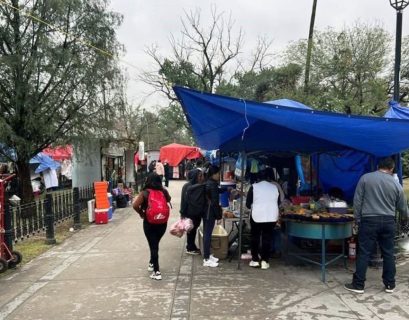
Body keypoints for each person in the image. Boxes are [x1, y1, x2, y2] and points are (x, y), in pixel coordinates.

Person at [344, 157, 408, 294]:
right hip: (389, 222)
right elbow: (402, 207)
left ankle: (359, 285)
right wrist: (406, 217)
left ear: (378, 166)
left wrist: (358, 219)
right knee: (388, 253)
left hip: (369, 221)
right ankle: (390, 284)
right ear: (391, 169)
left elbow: (357, 201)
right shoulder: (396, 184)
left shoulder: (365, 178)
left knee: (364, 253)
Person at [132, 173, 171, 280]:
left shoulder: (145, 193)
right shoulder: (163, 191)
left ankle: (157, 271)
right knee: (155, 244)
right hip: (162, 222)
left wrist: (141, 213)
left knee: (153, 245)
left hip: (149, 222)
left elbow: (135, 205)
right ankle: (151, 262)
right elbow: (168, 199)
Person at [246, 167, 284, 270]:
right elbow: (278, 202)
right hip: (271, 216)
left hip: (257, 216)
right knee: (267, 238)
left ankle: (254, 260)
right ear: (268, 178)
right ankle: (265, 261)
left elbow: (248, 204)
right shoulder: (274, 187)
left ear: (258, 178)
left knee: (255, 237)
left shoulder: (253, 187)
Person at [180, 168, 205, 255]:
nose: (202, 177)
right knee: (191, 230)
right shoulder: (187, 186)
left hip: (197, 213)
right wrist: (182, 213)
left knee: (193, 230)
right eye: (200, 176)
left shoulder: (200, 186)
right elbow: (183, 200)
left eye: (201, 175)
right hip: (190, 213)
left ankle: (192, 246)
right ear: (195, 176)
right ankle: (190, 248)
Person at [202, 164, 223, 267]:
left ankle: (208, 255)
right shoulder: (213, 184)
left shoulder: (208, 182)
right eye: (218, 173)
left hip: (206, 211)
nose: (219, 175)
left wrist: (224, 190)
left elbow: (214, 193)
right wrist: (219, 216)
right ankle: (206, 259)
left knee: (207, 234)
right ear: (213, 174)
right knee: (207, 235)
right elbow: (214, 202)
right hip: (210, 212)